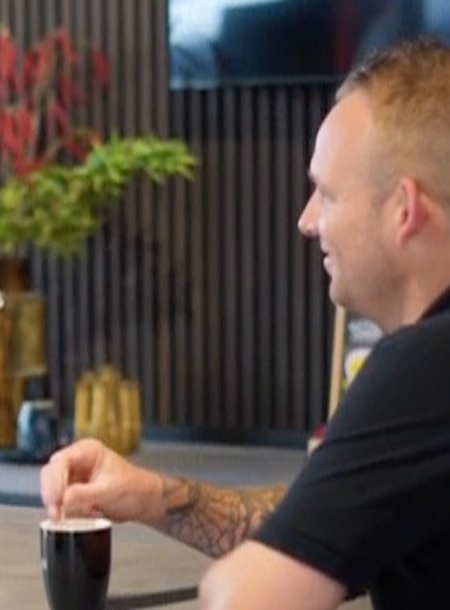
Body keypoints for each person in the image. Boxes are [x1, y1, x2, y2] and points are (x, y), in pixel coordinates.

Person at [41, 37, 450, 610]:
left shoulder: (423, 366)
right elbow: (328, 525)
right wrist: (153, 495)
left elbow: (241, 598)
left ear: (404, 209)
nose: (307, 220)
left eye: (327, 194)